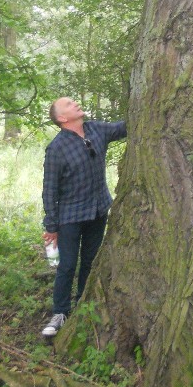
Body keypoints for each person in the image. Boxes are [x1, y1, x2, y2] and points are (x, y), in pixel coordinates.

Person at [40, 97, 126, 337]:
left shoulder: (96, 129)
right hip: (70, 216)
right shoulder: (56, 148)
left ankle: (82, 303)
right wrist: (51, 225)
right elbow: (50, 189)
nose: (75, 103)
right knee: (67, 265)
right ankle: (59, 313)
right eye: (69, 104)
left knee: (91, 260)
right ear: (62, 119)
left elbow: (125, 127)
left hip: (98, 211)